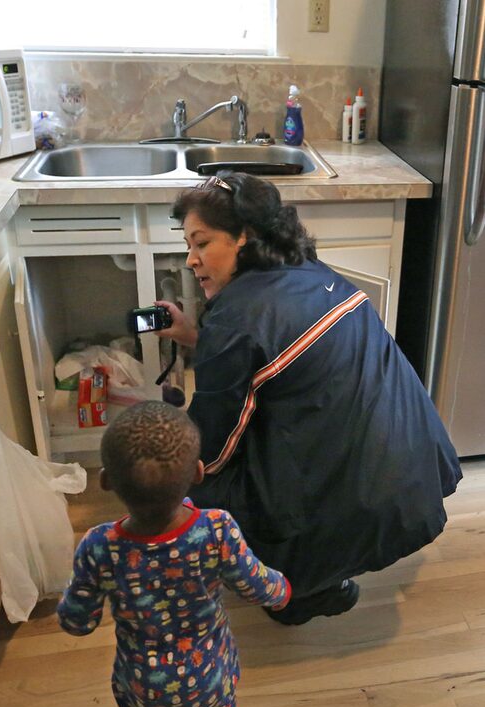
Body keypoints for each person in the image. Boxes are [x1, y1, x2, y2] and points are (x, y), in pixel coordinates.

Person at [155, 171, 462, 626]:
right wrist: (195, 337)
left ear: (246, 237)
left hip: (363, 493)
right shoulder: (308, 268)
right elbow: (268, 361)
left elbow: (212, 451)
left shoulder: (237, 320)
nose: (190, 260)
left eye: (202, 243)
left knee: (196, 478)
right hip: (413, 470)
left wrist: (162, 485)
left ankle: (297, 588)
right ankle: (326, 566)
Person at [56, 400, 291, 707]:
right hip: (210, 672)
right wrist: (282, 589)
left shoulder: (99, 547)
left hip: (142, 683)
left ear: (107, 481)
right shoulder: (217, 528)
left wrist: (74, 607)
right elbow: (256, 585)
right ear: (199, 473)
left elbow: (78, 621)